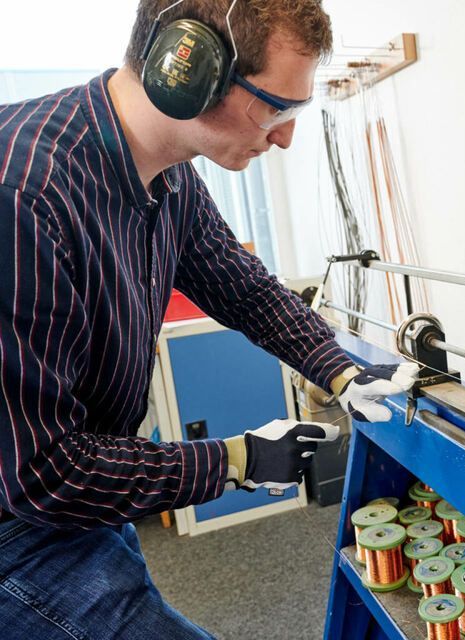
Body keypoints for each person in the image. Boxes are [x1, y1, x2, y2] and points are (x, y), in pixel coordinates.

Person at [0, 0, 416, 637]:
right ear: (185, 69)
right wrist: (234, 459)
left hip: (81, 496)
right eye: (274, 106)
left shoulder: (167, 176)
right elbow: (40, 473)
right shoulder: (24, 195)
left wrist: (340, 370)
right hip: (20, 524)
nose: (284, 137)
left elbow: (241, 286)